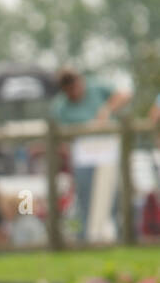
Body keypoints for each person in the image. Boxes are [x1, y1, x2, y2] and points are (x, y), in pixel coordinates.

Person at [50, 68, 131, 241]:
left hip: (108, 149)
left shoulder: (96, 86)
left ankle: (118, 235)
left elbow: (125, 95)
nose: (74, 91)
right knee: (84, 193)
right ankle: (86, 237)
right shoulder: (60, 106)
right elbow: (61, 138)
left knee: (113, 193)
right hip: (83, 154)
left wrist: (107, 109)